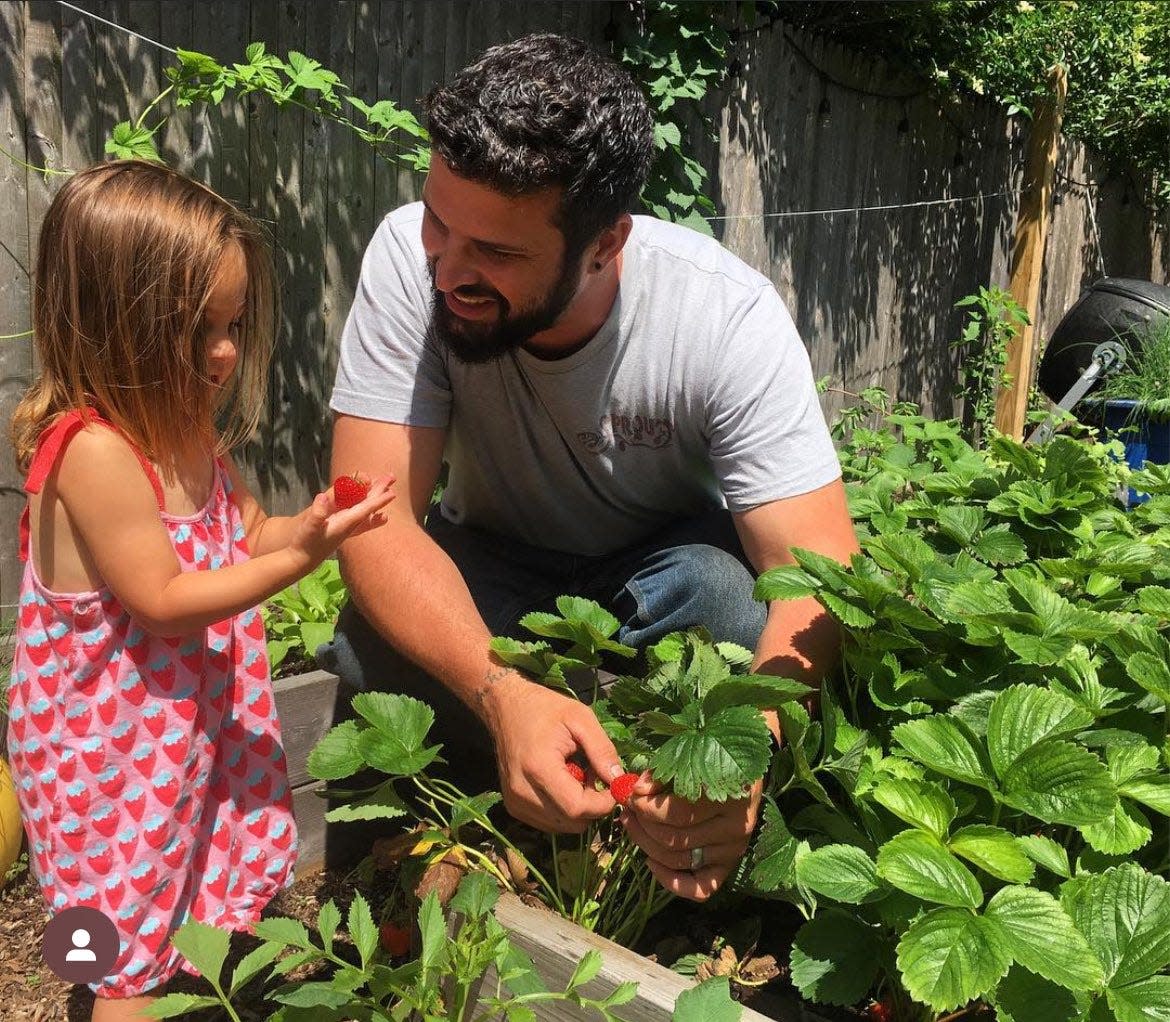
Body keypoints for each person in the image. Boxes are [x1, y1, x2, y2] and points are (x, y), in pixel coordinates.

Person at [323, 33, 859, 902]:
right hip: (491, 568)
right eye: (438, 221)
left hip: (659, 578)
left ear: (607, 243)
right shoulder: (406, 259)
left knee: (728, 601)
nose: (449, 269)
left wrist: (747, 741)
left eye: (496, 253)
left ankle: (669, 812)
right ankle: (539, 779)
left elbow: (820, 564)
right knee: (363, 647)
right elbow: (373, 517)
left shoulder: (725, 318)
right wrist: (498, 691)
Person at [5, 160, 394, 1020]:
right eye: (195, 331)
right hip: (107, 755)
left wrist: (306, 530)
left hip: (179, 734)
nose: (224, 351)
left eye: (235, 323)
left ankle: (120, 982)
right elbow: (165, 598)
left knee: (153, 910)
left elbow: (245, 531)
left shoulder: (188, 431)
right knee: (121, 952)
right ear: (114, 324)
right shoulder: (96, 453)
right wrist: (299, 567)